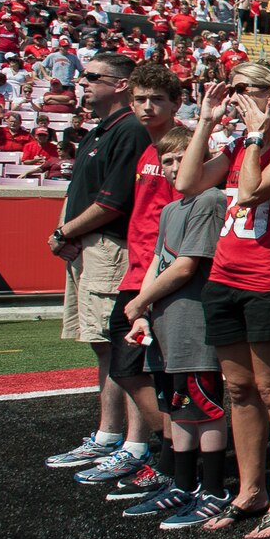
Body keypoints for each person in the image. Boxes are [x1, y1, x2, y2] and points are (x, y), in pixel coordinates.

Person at [175, 61, 270, 538]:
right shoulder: (239, 144)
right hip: (224, 277)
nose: (234, 98)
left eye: (244, 90)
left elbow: (250, 191)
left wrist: (257, 135)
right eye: (232, 89)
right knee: (238, 390)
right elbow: (187, 184)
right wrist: (205, 124)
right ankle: (250, 489)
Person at [71, 61, 184, 499]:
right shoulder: (144, 148)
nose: (147, 107)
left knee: (159, 374)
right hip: (134, 271)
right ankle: (168, 452)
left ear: (175, 102)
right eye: (140, 99)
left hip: (159, 277)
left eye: (157, 99)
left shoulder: (181, 146)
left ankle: (172, 458)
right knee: (130, 367)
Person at [42, 54, 153, 471]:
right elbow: (85, 195)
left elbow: (113, 201)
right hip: (90, 246)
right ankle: (109, 435)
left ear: (121, 84)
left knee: (122, 348)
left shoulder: (128, 130)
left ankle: (134, 444)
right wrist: (66, 233)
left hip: (110, 248)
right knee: (102, 347)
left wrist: (63, 233)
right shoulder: (98, 131)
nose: (81, 82)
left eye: (92, 77)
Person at [122, 129, 233, 527]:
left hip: (193, 318)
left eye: (180, 159)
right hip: (164, 320)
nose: (173, 169)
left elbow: (186, 265)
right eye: (166, 161)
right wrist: (142, 309)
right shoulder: (171, 209)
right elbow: (157, 263)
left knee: (204, 405)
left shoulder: (210, 199)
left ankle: (215, 488)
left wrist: (138, 301)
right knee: (177, 405)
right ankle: (184, 484)